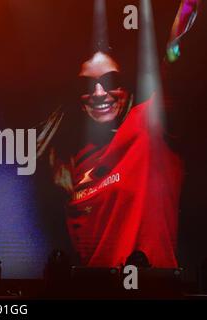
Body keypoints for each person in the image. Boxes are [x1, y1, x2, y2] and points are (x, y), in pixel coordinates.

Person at [36, 0, 200, 268]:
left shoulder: (149, 125)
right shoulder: (70, 162)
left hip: (152, 289)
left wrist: (189, 5)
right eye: (89, 84)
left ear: (126, 84)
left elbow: (175, 52)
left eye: (110, 81)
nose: (99, 93)